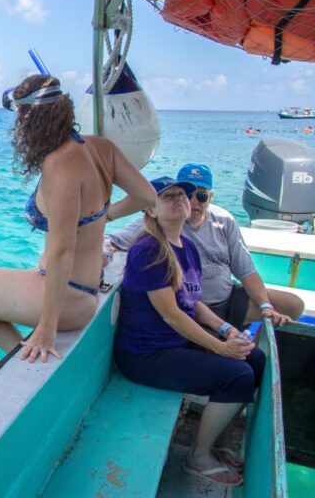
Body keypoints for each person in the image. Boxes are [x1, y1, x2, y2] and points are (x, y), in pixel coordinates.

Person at [0, 74, 155, 374]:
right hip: (83, 289)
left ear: (30, 120)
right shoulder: (100, 147)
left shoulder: (59, 164)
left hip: (66, 297)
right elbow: (146, 195)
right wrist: (106, 215)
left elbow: (62, 250)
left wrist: (46, 329)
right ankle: (12, 362)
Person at [114, 176, 265, 487]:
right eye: (168, 196)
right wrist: (220, 348)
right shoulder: (148, 250)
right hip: (146, 355)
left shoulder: (188, 247)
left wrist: (226, 330)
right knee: (238, 374)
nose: (180, 199)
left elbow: (193, 304)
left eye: (182, 194)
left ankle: (222, 438)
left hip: (176, 344)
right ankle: (197, 456)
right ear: (151, 210)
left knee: (255, 359)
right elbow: (171, 316)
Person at [108, 163, 304, 328]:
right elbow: (115, 240)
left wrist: (265, 306)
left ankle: (255, 346)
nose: (193, 202)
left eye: (201, 196)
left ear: (211, 196)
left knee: (292, 305)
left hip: (227, 299)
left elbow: (246, 271)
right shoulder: (164, 219)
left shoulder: (224, 220)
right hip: (193, 308)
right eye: (187, 194)